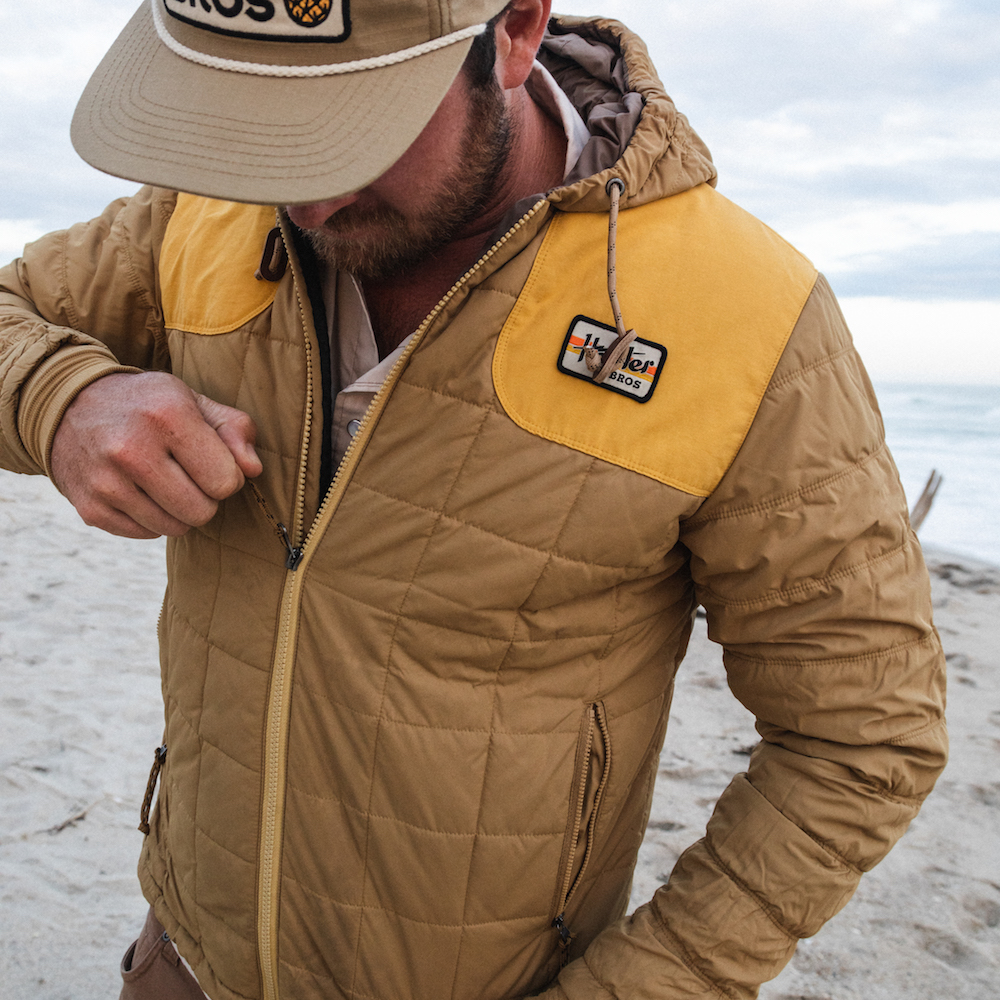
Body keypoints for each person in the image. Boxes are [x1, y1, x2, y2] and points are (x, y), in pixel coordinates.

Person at [0, 0, 947, 997]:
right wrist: (62, 401)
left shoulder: (748, 315)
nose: (303, 197)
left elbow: (861, 738)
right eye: (256, 122)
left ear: (516, 29)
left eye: (355, 123)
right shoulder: (202, 213)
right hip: (183, 959)